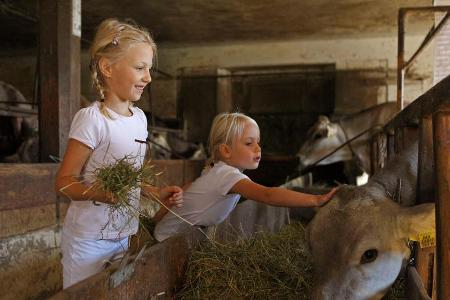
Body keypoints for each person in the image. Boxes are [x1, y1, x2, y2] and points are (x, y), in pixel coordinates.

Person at [55, 18, 183, 289]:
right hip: (89, 239)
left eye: (149, 69)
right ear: (107, 67)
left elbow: (130, 178)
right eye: (140, 68)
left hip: (124, 233)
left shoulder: (139, 119)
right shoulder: (92, 119)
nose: (148, 77)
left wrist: (155, 193)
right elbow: (64, 181)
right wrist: (102, 195)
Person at [154, 112, 338, 241]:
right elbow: (268, 195)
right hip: (169, 240)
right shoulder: (227, 175)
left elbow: (187, 188)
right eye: (249, 143)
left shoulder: (215, 169)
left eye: (258, 143)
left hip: (172, 236)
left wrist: (156, 219)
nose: (258, 148)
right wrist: (315, 199)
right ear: (226, 151)